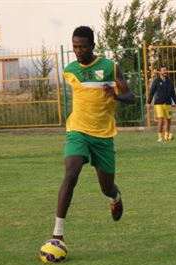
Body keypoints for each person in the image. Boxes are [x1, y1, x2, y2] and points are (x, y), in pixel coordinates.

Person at [52, 26, 135, 241]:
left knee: (106, 187)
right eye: (75, 46)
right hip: (77, 131)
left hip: (103, 136)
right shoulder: (69, 70)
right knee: (71, 175)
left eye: (82, 46)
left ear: (93, 46)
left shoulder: (109, 67)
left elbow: (130, 96)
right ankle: (58, 234)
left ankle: (115, 197)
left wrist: (116, 95)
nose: (78, 50)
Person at [146, 65, 176, 142]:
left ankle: (166, 135)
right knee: (160, 120)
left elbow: (173, 93)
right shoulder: (156, 81)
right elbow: (151, 92)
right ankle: (160, 137)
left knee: (168, 120)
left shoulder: (169, 81)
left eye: (166, 70)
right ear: (160, 72)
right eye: (163, 70)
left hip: (168, 103)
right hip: (158, 104)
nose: (165, 72)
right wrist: (148, 102)